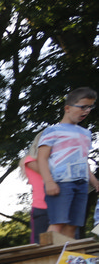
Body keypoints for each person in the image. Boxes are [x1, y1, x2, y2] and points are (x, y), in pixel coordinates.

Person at [36, 87, 99, 240]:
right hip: (61, 182)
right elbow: (42, 158)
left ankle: (67, 256)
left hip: (81, 183)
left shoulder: (86, 133)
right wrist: (49, 182)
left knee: (72, 226)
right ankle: (49, 254)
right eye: (83, 107)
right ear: (67, 108)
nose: (87, 111)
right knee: (58, 222)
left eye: (90, 107)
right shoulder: (52, 131)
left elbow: (83, 160)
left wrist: (95, 182)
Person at [21, 135, 48, 244]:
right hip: (41, 206)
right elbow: (51, 173)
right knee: (40, 244)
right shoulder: (30, 160)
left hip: (56, 205)